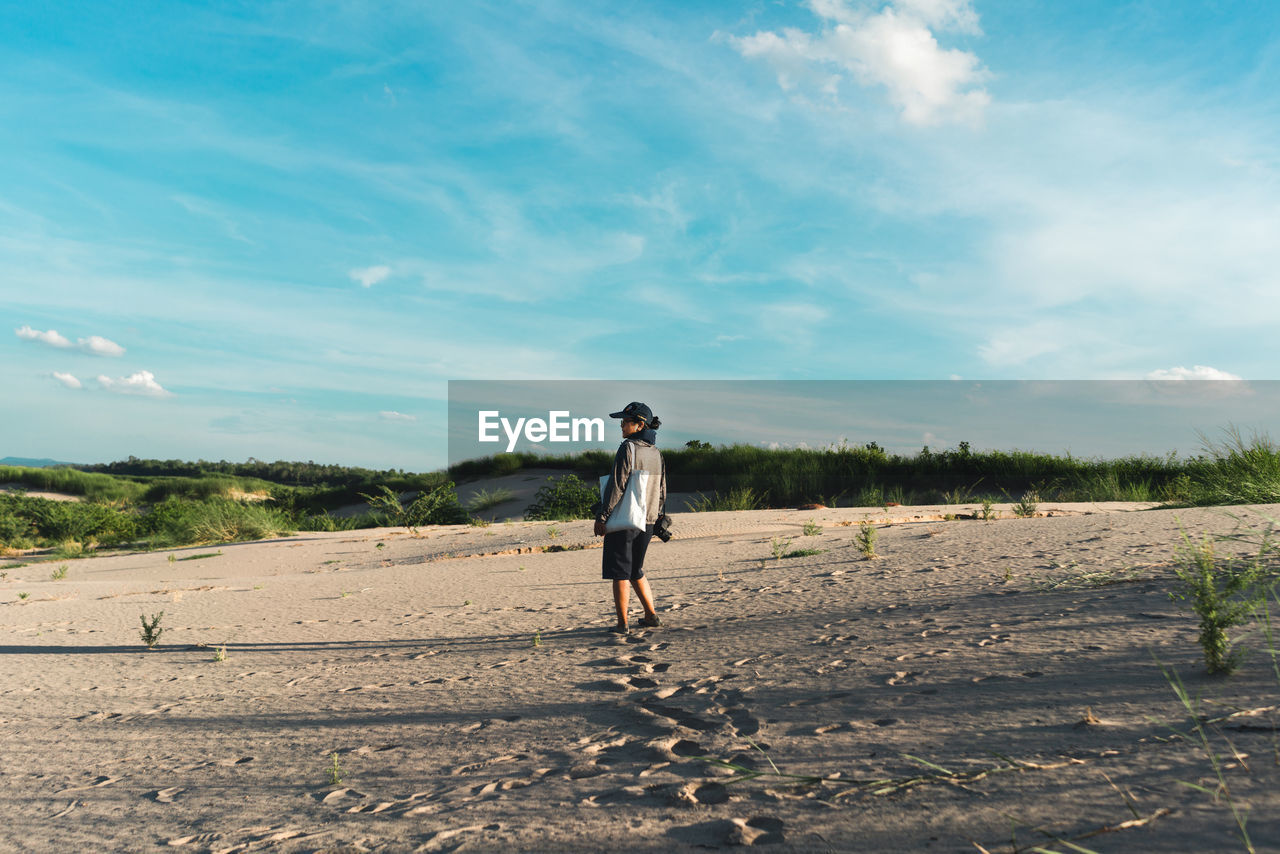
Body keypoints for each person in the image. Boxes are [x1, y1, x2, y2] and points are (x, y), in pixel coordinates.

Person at [594, 401, 666, 634]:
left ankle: (622, 624)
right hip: (648, 520)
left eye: (625, 422)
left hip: (626, 519)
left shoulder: (628, 448)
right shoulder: (657, 453)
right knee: (636, 569)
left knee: (620, 573)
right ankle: (650, 615)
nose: (622, 426)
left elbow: (617, 486)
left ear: (639, 424)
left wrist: (603, 517)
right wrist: (658, 519)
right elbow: (662, 489)